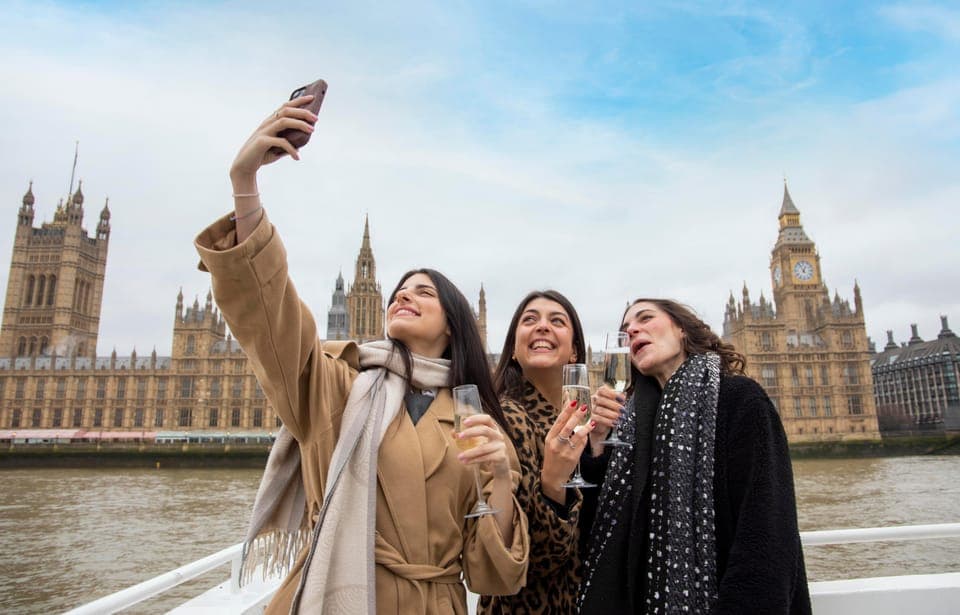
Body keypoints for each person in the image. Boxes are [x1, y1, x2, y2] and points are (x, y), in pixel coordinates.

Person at [195, 93, 529, 614]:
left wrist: (503, 479)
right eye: (400, 289)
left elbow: (491, 575)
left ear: (455, 323)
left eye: (424, 292)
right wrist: (245, 187)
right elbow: (271, 320)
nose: (403, 295)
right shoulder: (339, 384)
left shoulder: (473, 418)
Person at [579, 299, 811, 614]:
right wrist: (596, 445)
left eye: (646, 318)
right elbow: (598, 533)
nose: (632, 329)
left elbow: (766, 541)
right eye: (625, 330)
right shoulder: (633, 423)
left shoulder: (741, 401)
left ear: (683, 330)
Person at [479, 290, 596, 614]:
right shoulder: (504, 422)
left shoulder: (587, 422)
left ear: (575, 351)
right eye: (529, 320)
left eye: (556, 320)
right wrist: (554, 481)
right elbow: (529, 559)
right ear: (513, 350)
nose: (542, 326)